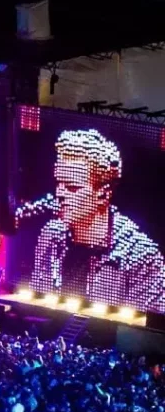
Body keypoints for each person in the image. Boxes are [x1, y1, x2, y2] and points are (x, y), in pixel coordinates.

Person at [32, 128, 165, 312]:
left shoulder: (141, 256)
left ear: (103, 194)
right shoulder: (51, 235)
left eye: (72, 187)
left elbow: (148, 325)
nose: (59, 194)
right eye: (58, 184)